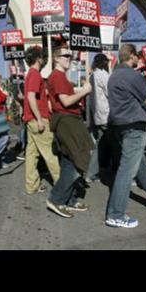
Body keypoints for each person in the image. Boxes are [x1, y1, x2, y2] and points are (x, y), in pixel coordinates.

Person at [105, 44, 146, 229]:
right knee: (127, 170)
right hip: (134, 126)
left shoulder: (113, 75)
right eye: (137, 57)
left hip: (119, 126)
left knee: (138, 167)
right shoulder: (134, 75)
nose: (139, 60)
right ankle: (115, 214)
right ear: (131, 56)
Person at [45, 47, 94, 218]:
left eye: (70, 55)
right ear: (56, 58)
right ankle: (57, 199)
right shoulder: (57, 76)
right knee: (77, 161)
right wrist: (84, 91)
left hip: (68, 121)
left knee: (69, 161)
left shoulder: (60, 77)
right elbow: (65, 102)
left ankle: (70, 199)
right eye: (66, 55)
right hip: (67, 122)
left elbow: (55, 103)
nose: (70, 58)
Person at [22, 45, 60, 194]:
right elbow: (31, 96)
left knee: (32, 154)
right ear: (38, 58)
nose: (44, 60)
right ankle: (62, 185)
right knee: (50, 152)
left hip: (30, 119)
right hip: (38, 119)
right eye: (43, 57)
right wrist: (39, 119)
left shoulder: (29, 74)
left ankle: (31, 185)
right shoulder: (35, 74)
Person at [85, 53, 111, 183]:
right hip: (106, 114)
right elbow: (111, 93)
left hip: (97, 115)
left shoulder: (92, 76)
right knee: (118, 144)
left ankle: (91, 172)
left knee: (100, 145)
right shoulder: (103, 75)